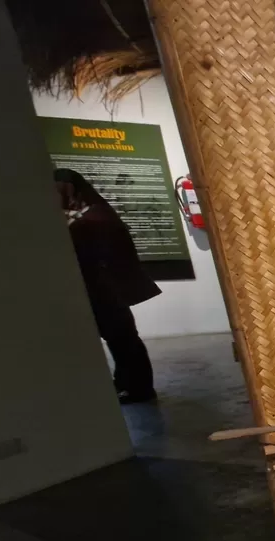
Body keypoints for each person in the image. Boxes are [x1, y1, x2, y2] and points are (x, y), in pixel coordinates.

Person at [54, 168, 161, 403]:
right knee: (119, 339)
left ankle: (139, 388)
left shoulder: (94, 216)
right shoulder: (85, 214)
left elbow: (98, 246)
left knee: (123, 338)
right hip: (99, 288)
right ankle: (126, 382)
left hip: (107, 288)